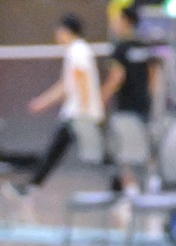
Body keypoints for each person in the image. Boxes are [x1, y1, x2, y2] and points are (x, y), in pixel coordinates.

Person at [10, 16, 105, 195]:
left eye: (59, 32)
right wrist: (43, 102)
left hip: (80, 115)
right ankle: (31, 186)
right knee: (57, 150)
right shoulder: (75, 51)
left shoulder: (78, 51)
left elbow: (83, 79)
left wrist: (85, 109)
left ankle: (121, 186)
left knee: (94, 154)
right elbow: (65, 85)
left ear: (66, 31)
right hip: (76, 113)